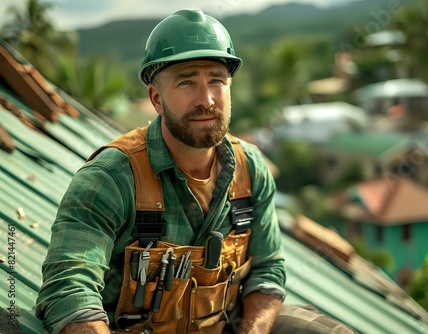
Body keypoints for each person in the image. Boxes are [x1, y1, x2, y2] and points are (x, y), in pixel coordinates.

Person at [36, 9, 355, 334]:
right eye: (187, 82)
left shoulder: (250, 169)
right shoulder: (112, 178)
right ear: (156, 98)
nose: (206, 100)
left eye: (216, 80)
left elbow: (268, 270)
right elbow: (70, 291)